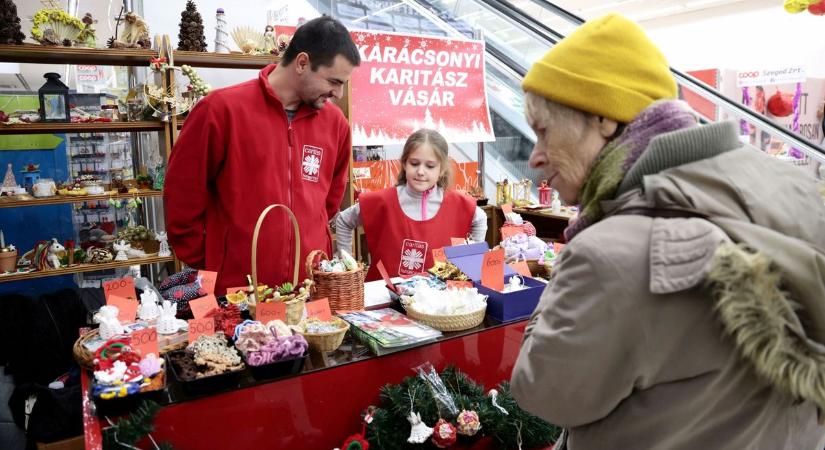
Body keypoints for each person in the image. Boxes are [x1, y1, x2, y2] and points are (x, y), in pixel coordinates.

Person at [509, 13, 825, 450]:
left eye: (543, 131)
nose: (536, 158)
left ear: (603, 116)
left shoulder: (609, 251)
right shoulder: (796, 189)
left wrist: (563, 276)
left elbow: (542, 391)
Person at [164, 16, 360, 294]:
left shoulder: (335, 124)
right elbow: (182, 195)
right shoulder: (220, 111)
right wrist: (210, 262)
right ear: (302, 63)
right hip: (236, 290)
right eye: (333, 81)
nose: (339, 93)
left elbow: (329, 200)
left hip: (309, 287)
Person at [335, 129, 487, 280]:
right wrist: (347, 269)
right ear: (404, 163)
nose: (420, 171)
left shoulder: (458, 204)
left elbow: (480, 218)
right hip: (384, 298)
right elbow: (343, 221)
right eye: (414, 163)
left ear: (441, 169)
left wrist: (470, 261)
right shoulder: (382, 201)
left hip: (440, 299)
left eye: (430, 166)